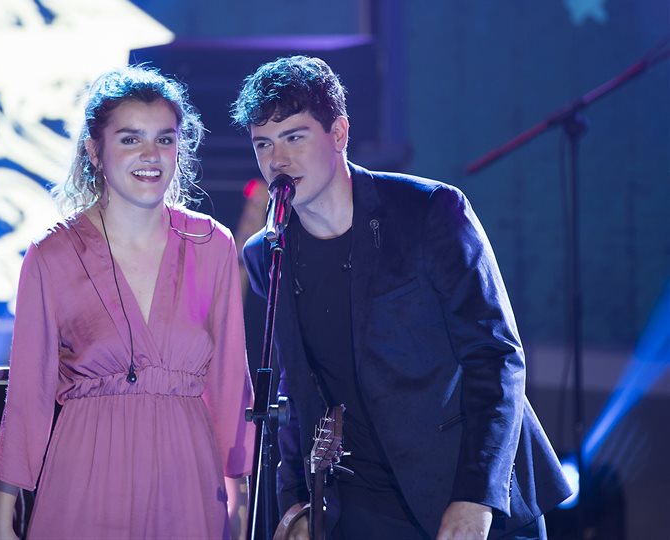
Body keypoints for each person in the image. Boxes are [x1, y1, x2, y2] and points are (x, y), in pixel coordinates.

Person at [232, 56, 572, 540]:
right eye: (263, 144)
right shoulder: (269, 253)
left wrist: (476, 496)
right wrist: (296, 503)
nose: (278, 161)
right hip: (362, 500)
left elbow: (496, 357)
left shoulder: (428, 211)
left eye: (295, 137)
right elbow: (297, 390)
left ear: (339, 134)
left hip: (462, 483)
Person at [0, 66, 254, 540]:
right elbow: (28, 392)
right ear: (95, 150)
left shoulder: (212, 244)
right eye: (131, 139)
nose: (151, 156)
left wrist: (240, 489)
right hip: (85, 474)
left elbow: (231, 381)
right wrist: (2, 509)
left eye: (165, 140)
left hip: (187, 479)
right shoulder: (52, 254)